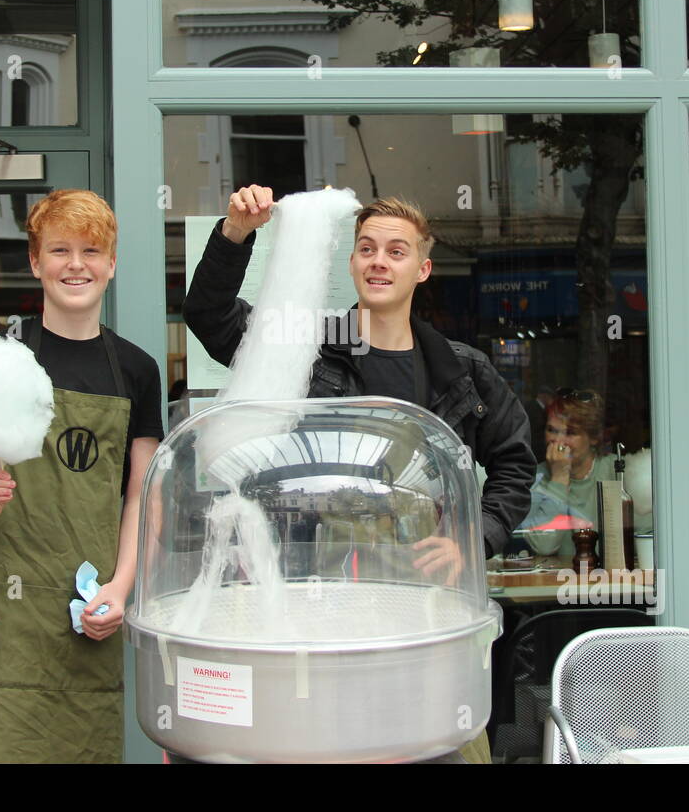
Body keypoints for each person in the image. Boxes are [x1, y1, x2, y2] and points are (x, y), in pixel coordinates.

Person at [183, 185, 537, 764]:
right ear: (350, 262)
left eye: (396, 251)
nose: (379, 261)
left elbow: (515, 463)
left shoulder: (461, 369)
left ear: (422, 269)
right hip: (315, 612)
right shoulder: (307, 348)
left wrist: (473, 539)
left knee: (444, 749)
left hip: (428, 613)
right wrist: (235, 235)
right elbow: (210, 317)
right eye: (366, 248)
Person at [0, 190, 163, 763]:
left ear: (112, 262)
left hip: (87, 612)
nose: (76, 264)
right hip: (3, 622)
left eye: (91, 250)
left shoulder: (136, 369)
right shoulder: (0, 361)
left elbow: (142, 496)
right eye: (59, 250)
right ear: (36, 262)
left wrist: (122, 587)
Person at [521, 388, 616, 555]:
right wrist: (559, 477)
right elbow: (544, 546)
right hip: (558, 579)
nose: (558, 441)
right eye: (552, 430)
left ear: (593, 438)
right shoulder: (534, 477)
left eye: (570, 433)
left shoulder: (614, 470)